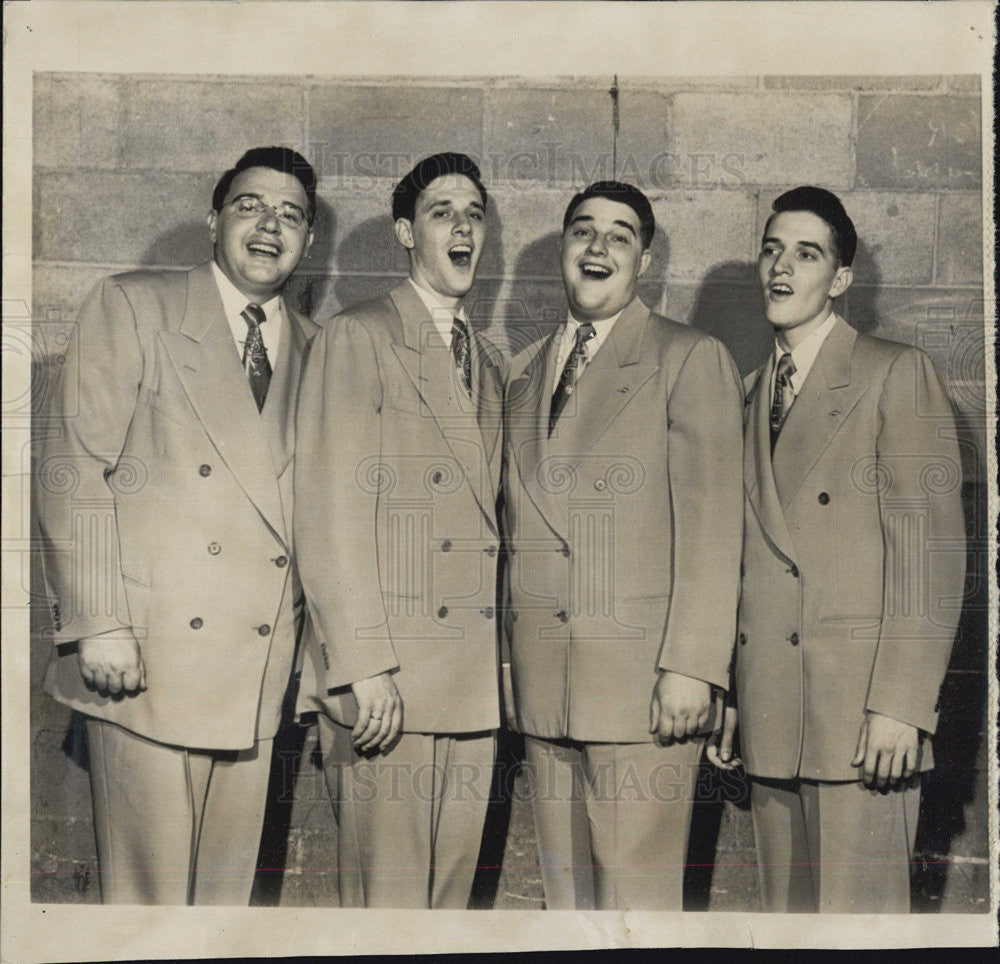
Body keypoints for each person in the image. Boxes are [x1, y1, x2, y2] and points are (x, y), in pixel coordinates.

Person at [35, 147, 320, 904]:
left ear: (310, 242)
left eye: (291, 215)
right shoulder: (137, 305)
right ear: (213, 220)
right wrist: (98, 621)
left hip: (258, 675)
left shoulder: (319, 348)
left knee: (222, 914)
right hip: (147, 662)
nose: (270, 226)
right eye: (251, 206)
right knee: (150, 912)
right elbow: (76, 467)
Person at [710, 186, 966, 913]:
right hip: (770, 713)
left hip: (860, 721)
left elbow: (931, 557)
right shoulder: (751, 389)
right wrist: (730, 688)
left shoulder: (894, 372)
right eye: (770, 249)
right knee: (787, 925)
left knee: (861, 929)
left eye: (806, 252)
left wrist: (902, 705)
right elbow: (742, 565)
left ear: (842, 279)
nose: (780, 267)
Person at [502, 181, 744, 910]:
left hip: (644, 687)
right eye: (582, 231)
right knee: (566, 901)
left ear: (645, 260)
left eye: (619, 234)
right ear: (563, 253)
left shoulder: (688, 357)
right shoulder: (521, 371)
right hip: (546, 688)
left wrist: (694, 668)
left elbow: (714, 524)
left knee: (639, 904)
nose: (597, 246)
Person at [294, 152, 504, 908]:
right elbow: (326, 512)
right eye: (444, 211)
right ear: (406, 233)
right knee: (384, 911)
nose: (463, 227)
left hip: (471, 689)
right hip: (388, 683)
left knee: (447, 912)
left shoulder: (488, 359)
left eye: (475, 215)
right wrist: (362, 664)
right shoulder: (359, 336)